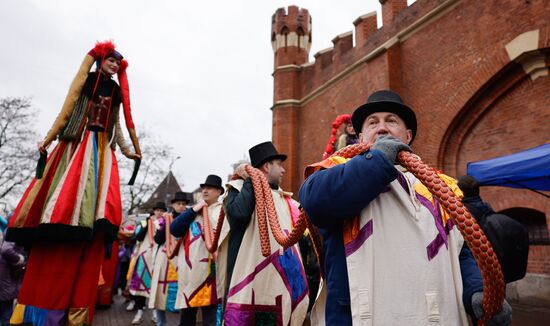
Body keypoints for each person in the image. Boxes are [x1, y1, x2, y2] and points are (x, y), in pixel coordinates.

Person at [299, 90, 512, 325]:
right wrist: (378, 159)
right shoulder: (335, 170)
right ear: (360, 137)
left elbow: (457, 250)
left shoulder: (439, 186)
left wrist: (477, 289)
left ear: (407, 135)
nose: (381, 128)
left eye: (391, 120)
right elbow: (316, 202)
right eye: (372, 123)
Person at [6, 41, 141, 326]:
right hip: (78, 144)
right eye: (111, 61)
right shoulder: (88, 81)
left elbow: (115, 127)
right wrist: (49, 137)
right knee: (67, 194)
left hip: (103, 149)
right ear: (101, 61)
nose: (115, 66)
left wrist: (129, 151)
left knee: (98, 199)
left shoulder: (115, 92)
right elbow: (66, 110)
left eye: (118, 63)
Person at [221, 141, 309, 325]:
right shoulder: (237, 189)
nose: (284, 170)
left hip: (280, 284)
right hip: (250, 282)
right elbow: (239, 214)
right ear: (267, 166)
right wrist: (251, 180)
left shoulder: (286, 200)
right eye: (279, 164)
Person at [170, 175, 228, 326]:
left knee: (210, 320)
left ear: (219, 192)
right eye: (203, 188)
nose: (205, 190)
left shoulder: (222, 212)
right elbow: (174, 229)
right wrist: (194, 209)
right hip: (190, 276)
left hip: (211, 276)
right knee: (186, 320)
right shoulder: (193, 213)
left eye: (209, 188)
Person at [149, 196, 188, 326]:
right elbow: (158, 240)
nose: (181, 206)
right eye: (179, 203)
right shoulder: (165, 219)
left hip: (183, 257)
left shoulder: (190, 218)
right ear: (173, 204)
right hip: (164, 259)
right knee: (160, 292)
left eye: (183, 203)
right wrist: (164, 224)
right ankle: (161, 322)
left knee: (182, 292)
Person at [128, 202, 167, 324]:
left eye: (161, 210)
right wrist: (146, 224)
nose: (159, 213)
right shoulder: (146, 222)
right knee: (141, 286)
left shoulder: (166, 224)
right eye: (157, 210)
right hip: (144, 258)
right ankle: (139, 312)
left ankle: (154, 313)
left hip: (157, 259)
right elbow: (137, 237)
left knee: (154, 287)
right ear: (154, 211)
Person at [0, 231, 25, 326]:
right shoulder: (13, 234)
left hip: (5, 286)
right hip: (5, 287)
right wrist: (20, 260)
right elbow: (6, 250)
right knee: (6, 318)